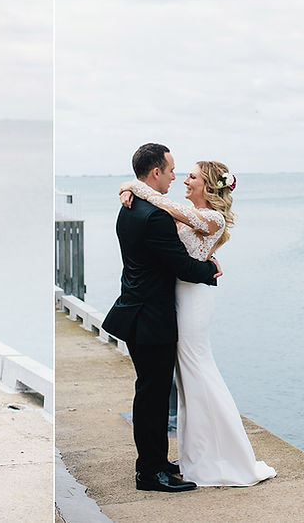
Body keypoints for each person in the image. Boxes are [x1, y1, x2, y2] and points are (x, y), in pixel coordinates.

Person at [120, 160, 276, 487]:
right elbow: (165, 219)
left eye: (191, 177)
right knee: (188, 378)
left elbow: (165, 206)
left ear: (207, 185)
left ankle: (222, 455)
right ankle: (196, 455)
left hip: (192, 301)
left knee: (197, 370)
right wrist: (128, 187)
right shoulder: (176, 213)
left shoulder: (211, 217)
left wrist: (133, 185)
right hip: (172, 299)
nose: (183, 180)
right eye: (181, 173)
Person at [102, 143, 221, 493]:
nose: (174, 176)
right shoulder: (153, 216)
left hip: (137, 312)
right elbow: (181, 265)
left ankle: (156, 461)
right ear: (155, 172)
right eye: (170, 170)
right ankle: (149, 472)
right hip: (151, 318)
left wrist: (128, 186)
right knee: (152, 397)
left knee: (151, 394)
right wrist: (209, 270)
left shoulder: (131, 207)